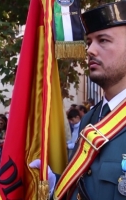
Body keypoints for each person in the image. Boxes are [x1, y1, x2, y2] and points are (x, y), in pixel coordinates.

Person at [30, 1, 126, 199]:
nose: (90, 50)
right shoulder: (90, 118)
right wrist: (57, 183)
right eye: (89, 41)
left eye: (103, 40)